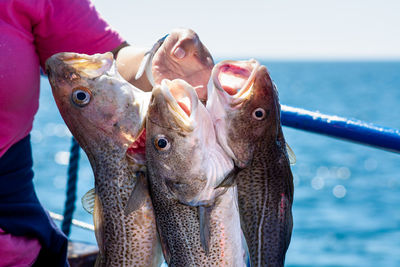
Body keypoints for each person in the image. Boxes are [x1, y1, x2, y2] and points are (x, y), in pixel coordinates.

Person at [0, 0, 213, 266]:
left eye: (80, 96)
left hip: (22, 249)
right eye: (81, 96)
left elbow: (111, 58)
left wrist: (156, 64)